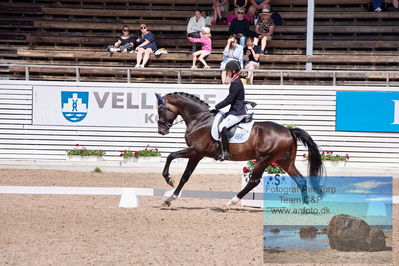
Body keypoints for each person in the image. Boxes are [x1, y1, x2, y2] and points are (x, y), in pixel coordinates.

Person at [212, 60, 246, 161]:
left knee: (222, 126)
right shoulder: (235, 81)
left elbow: (229, 99)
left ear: (233, 71)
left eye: (228, 71)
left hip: (237, 112)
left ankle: (226, 152)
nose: (227, 72)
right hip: (234, 110)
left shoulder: (236, 83)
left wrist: (216, 107)